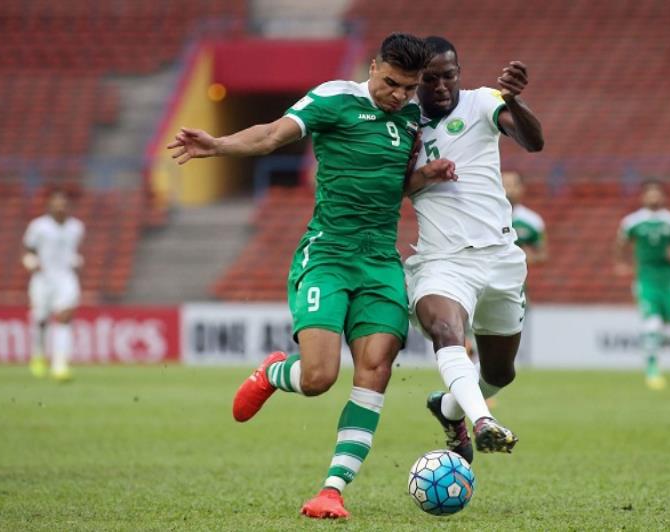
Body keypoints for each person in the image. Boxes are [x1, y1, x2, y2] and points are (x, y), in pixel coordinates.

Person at [167, 33, 454, 519]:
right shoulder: (333, 98)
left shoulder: (410, 118)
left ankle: (332, 489)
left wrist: (424, 179)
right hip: (329, 255)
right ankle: (274, 372)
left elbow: (391, 183)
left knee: (376, 369)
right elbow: (271, 135)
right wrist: (218, 145)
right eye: (391, 84)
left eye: (409, 88)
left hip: (381, 261)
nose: (400, 96)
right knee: (319, 376)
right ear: (373, 67)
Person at [405, 36, 544, 464]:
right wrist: (426, 175)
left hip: (501, 256)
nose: (443, 86)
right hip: (442, 261)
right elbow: (390, 190)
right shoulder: (401, 124)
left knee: (500, 373)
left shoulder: (483, 102)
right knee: (448, 332)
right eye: (431, 79)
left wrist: (515, 101)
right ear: (416, 80)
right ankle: (482, 422)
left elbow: (532, 141)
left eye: (450, 76)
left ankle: (448, 409)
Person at [615, 179, 670, 390]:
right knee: (651, 323)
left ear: (663, 196)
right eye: (650, 193)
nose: (653, 196)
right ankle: (651, 368)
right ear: (643, 196)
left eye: (657, 193)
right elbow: (620, 244)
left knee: (669, 331)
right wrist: (621, 263)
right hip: (646, 277)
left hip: (669, 279)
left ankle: (653, 353)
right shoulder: (632, 222)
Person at [22, 189, 84, 381]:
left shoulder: (77, 227)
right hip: (43, 279)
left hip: (66, 278)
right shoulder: (38, 227)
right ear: (49, 206)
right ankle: (39, 355)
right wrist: (30, 262)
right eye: (57, 204)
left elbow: (73, 251)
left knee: (65, 317)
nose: (60, 207)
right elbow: (28, 250)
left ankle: (60, 365)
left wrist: (75, 260)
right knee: (41, 320)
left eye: (64, 204)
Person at [502, 170, 547, 263]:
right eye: (504, 185)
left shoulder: (532, 220)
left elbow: (543, 254)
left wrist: (529, 257)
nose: (507, 190)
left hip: (517, 276)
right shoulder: (485, 218)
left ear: (521, 188)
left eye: (511, 185)